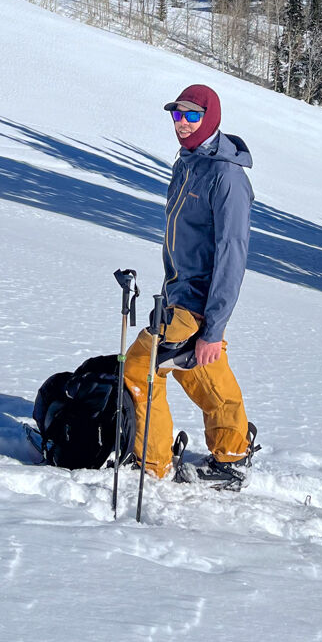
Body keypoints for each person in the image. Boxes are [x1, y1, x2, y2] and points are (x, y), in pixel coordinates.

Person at [123, 82, 256, 484]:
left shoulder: (225, 176)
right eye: (176, 115)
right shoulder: (189, 162)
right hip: (179, 295)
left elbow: (232, 255)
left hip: (196, 303)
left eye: (191, 115)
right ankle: (231, 451)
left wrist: (212, 328)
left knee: (139, 369)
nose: (181, 123)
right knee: (196, 369)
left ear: (211, 117)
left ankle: (153, 463)